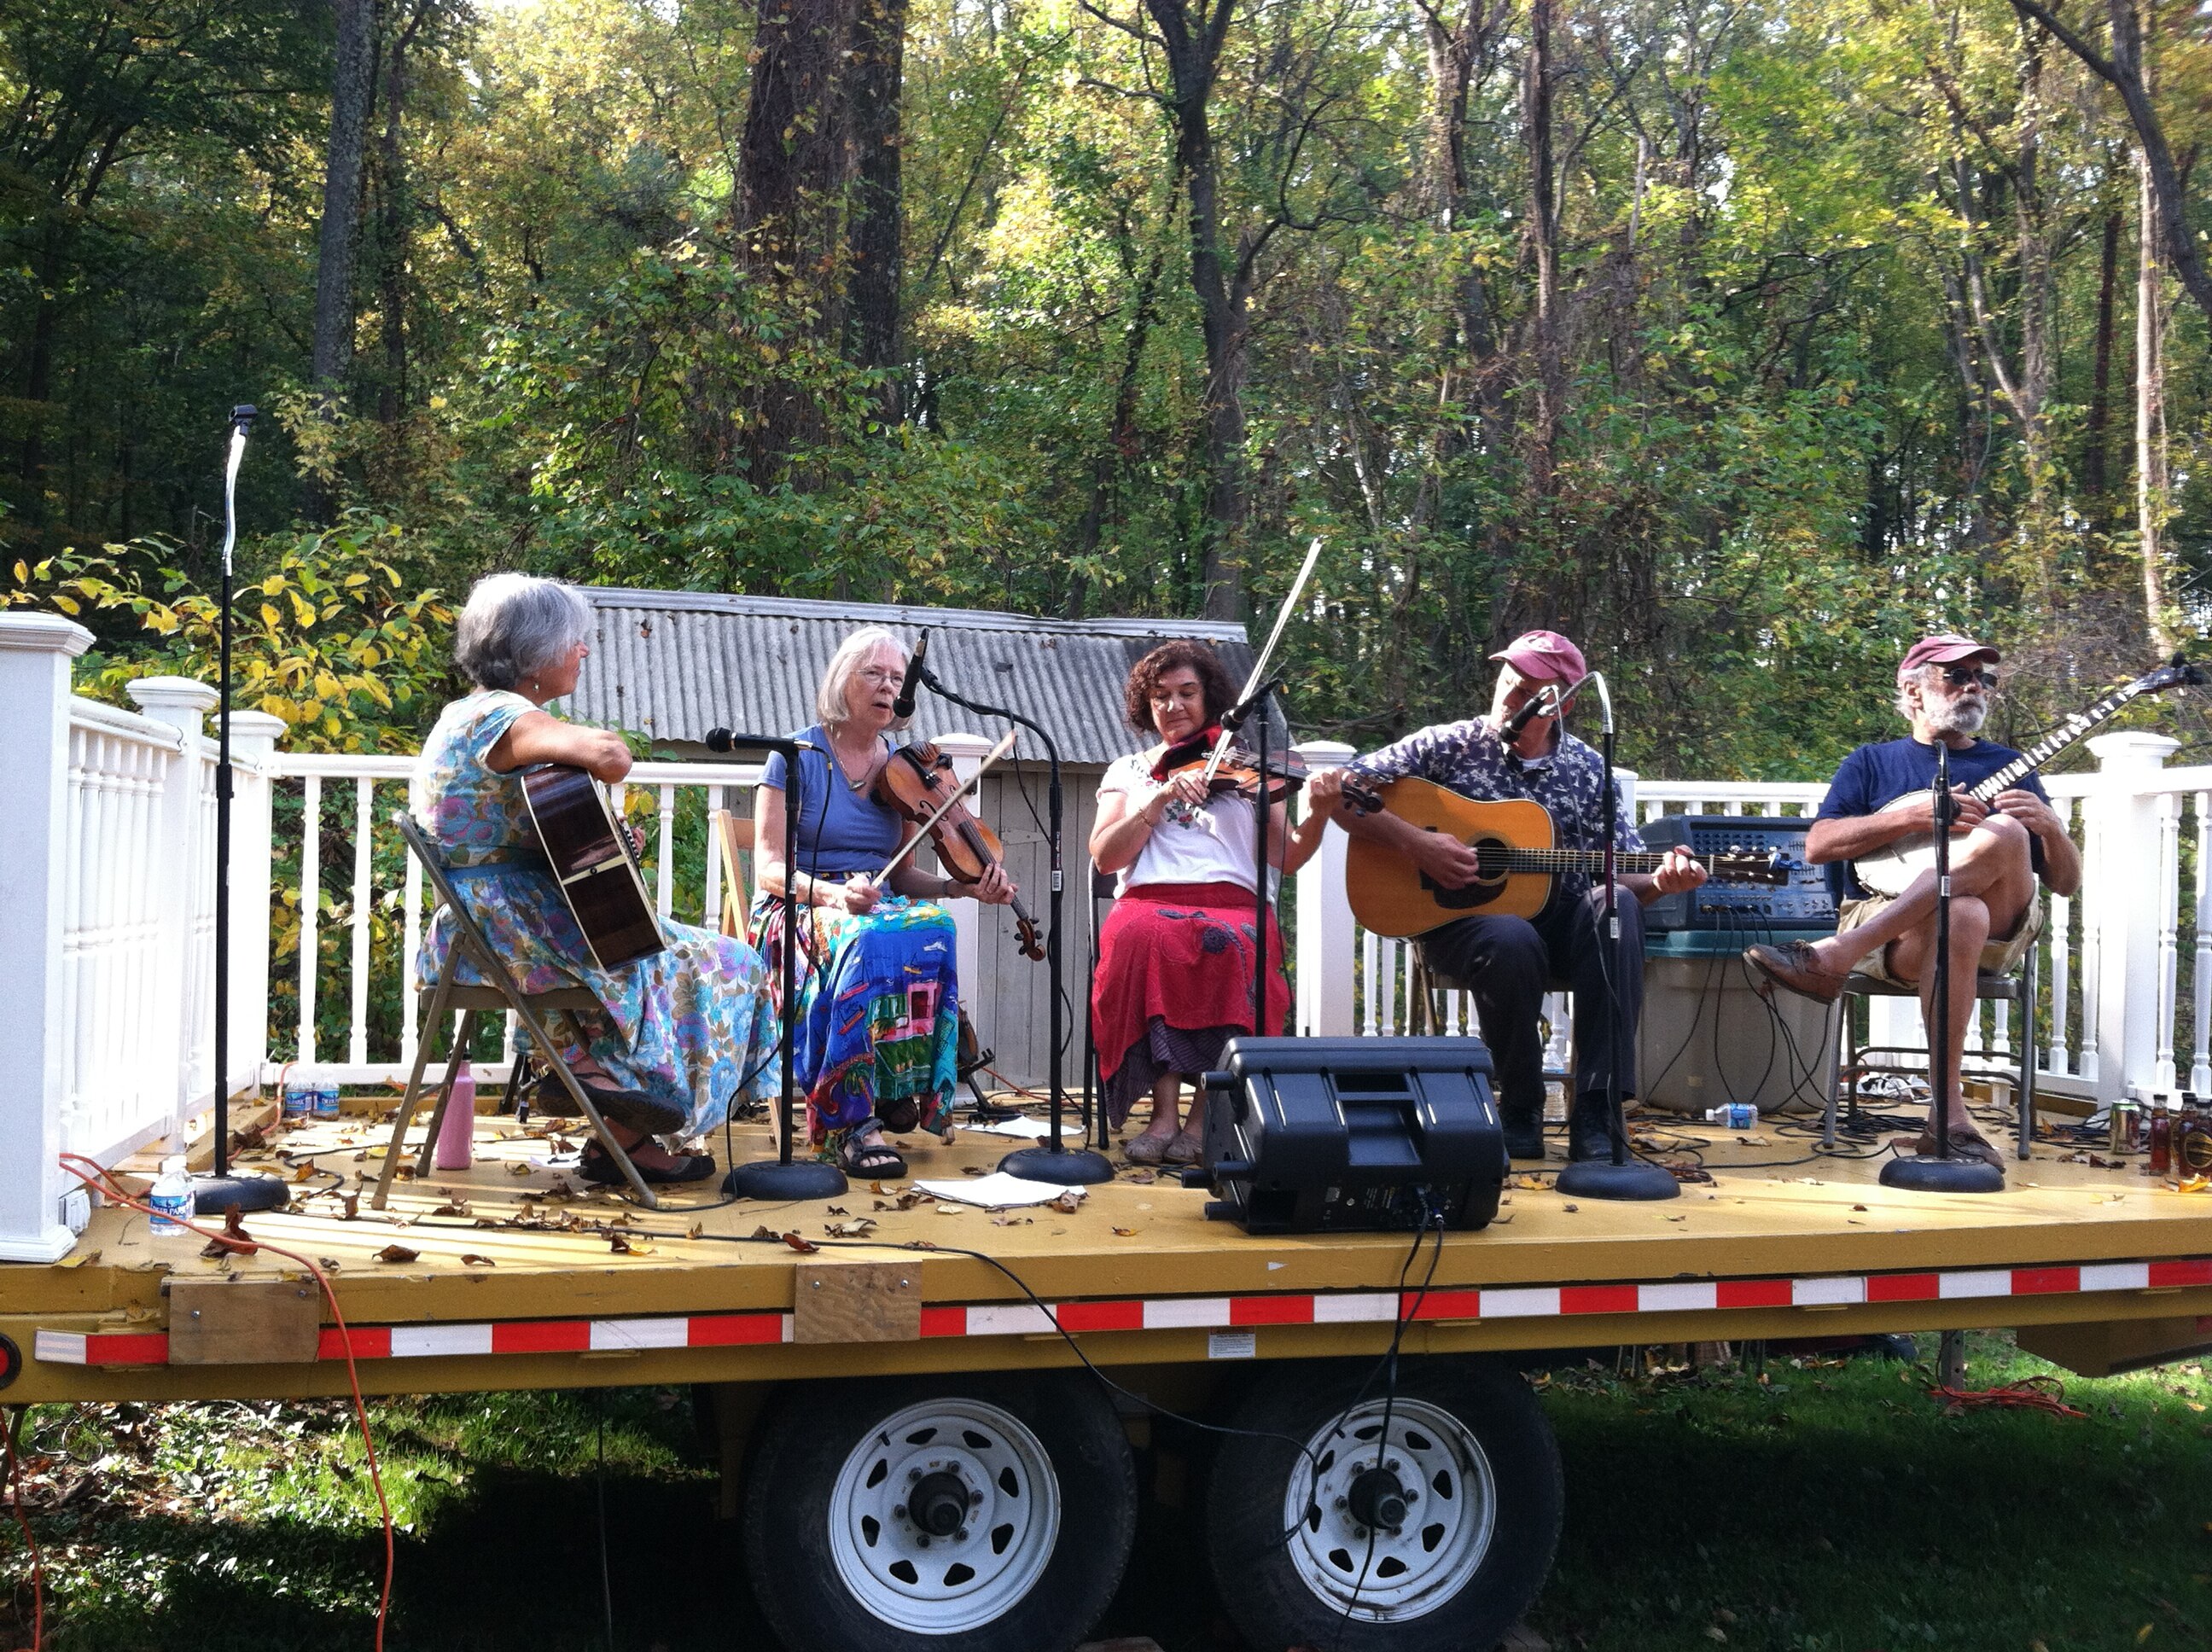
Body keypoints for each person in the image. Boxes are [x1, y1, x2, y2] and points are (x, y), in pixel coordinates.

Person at [414, 573, 781, 1186]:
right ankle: (619, 1096)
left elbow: (523, 824)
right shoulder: (505, 714)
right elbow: (611, 757)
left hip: (496, 921)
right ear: (535, 653)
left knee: (676, 948)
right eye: (575, 641)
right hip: (512, 931)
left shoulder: (470, 714)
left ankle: (614, 1114)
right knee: (728, 961)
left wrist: (601, 843)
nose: (583, 651)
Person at [1312, 630, 1707, 1161]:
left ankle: (1598, 1108)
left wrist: (1659, 882)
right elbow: (1342, 794)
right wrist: (1419, 844)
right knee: (1509, 933)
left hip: (1563, 926)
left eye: (1528, 692)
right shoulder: (1445, 744)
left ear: (1562, 703)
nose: (1510, 699)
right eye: (1507, 683)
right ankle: (1520, 1104)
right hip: (1463, 926)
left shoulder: (1590, 770)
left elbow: (1625, 867)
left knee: (1619, 905)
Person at [1745, 634, 2081, 1168]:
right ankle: (1947, 1119)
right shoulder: (1872, 763)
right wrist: (1909, 816)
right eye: (1956, 675)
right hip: (1901, 932)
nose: (1974, 686)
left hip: (2002, 929)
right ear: (1913, 689)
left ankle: (1838, 954)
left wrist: (2055, 832)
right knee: (1960, 910)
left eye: (1983, 678)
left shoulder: (2013, 765)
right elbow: (1818, 845)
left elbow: (2064, 883)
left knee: (2008, 832)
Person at [753, 626, 1020, 1180]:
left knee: (934, 924)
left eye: (896, 677)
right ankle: (847, 1118)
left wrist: (958, 887)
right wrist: (831, 894)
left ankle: (902, 1089)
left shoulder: (901, 770)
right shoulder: (794, 755)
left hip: (871, 904)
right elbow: (768, 868)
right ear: (842, 680)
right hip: (799, 906)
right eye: (873, 673)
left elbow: (904, 873)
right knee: (864, 936)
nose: (887, 685)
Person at [1089, 640, 1331, 1165]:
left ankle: (1203, 1118)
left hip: (1234, 904)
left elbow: (1286, 858)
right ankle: (1163, 1118)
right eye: (1160, 696)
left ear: (1210, 699)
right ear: (1144, 705)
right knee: (1147, 934)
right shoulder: (1129, 771)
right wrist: (1156, 799)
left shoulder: (1249, 766)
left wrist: (1321, 814)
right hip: (1149, 901)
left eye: (1186, 693)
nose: (1173, 706)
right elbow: (1106, 857)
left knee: (1233, 942)